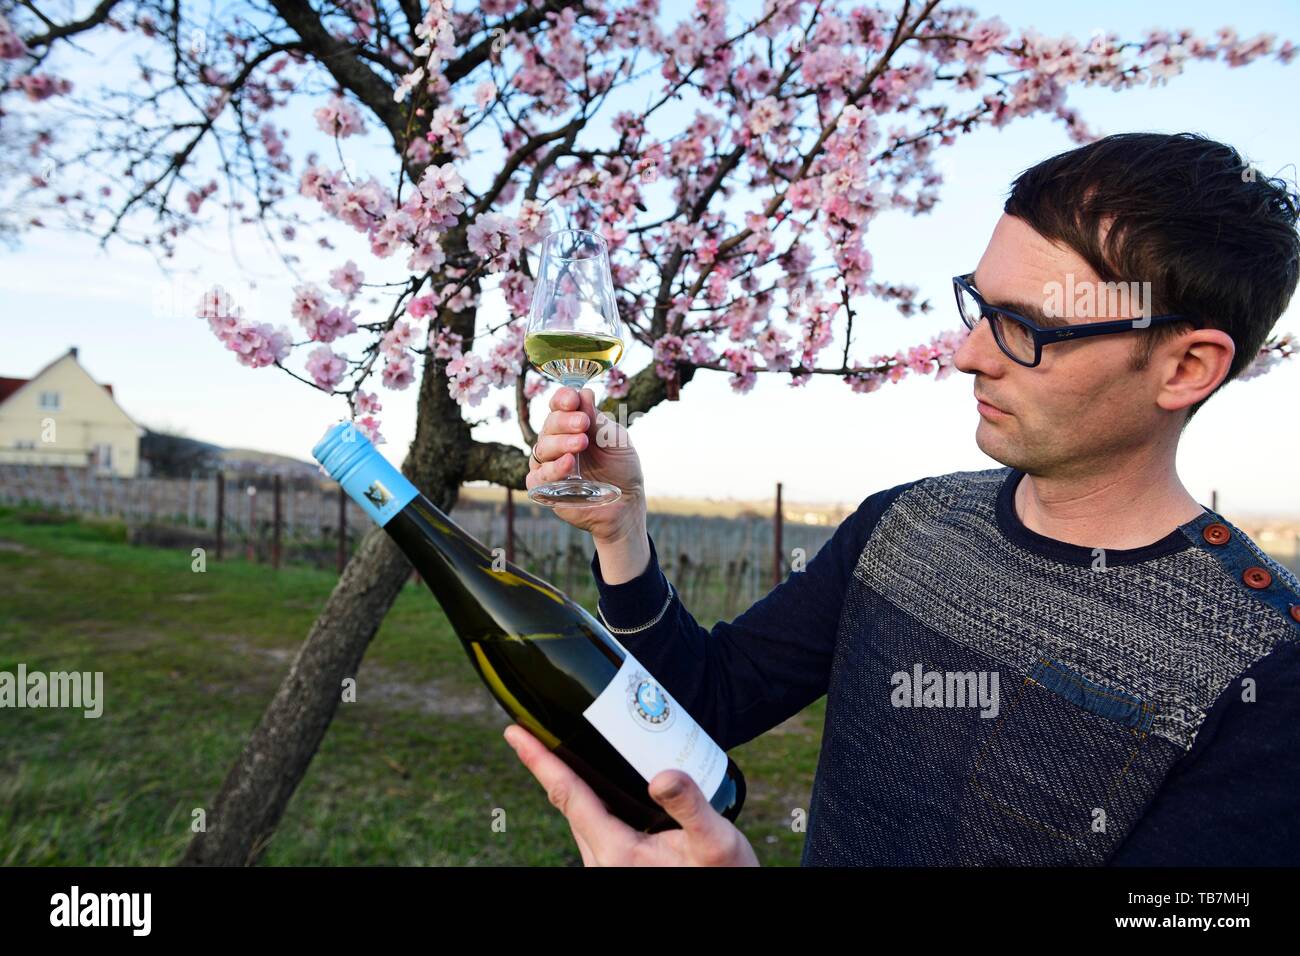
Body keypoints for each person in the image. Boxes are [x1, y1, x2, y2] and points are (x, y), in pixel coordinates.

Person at [505, 131, 1300, 866]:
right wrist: (623, 534)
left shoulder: (1264, 672)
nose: (967, 355)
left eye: (1026, 328)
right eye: (979, 306)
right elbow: (707, 700)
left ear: (1186, 368)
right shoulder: (906, 525)